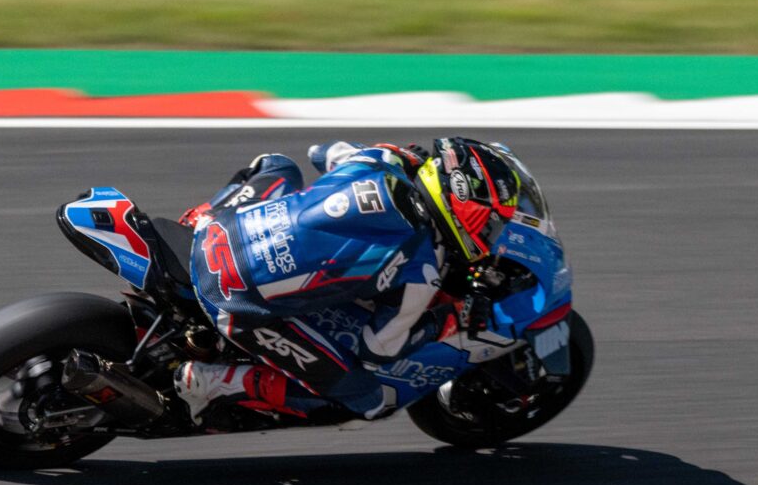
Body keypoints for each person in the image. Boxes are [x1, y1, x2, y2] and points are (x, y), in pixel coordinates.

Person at [173, 138, 521, 424]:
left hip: (217, 232)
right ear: (464, 212)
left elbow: (319, 152)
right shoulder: (423, 270)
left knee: (278, 164)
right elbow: (378, 349)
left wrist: (402, 155)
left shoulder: (379, 160)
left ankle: (200, 214)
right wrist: (447, 317)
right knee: (369, 398)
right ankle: (219, 383)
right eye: (491, 223)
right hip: (235, 299)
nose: (492, 233)